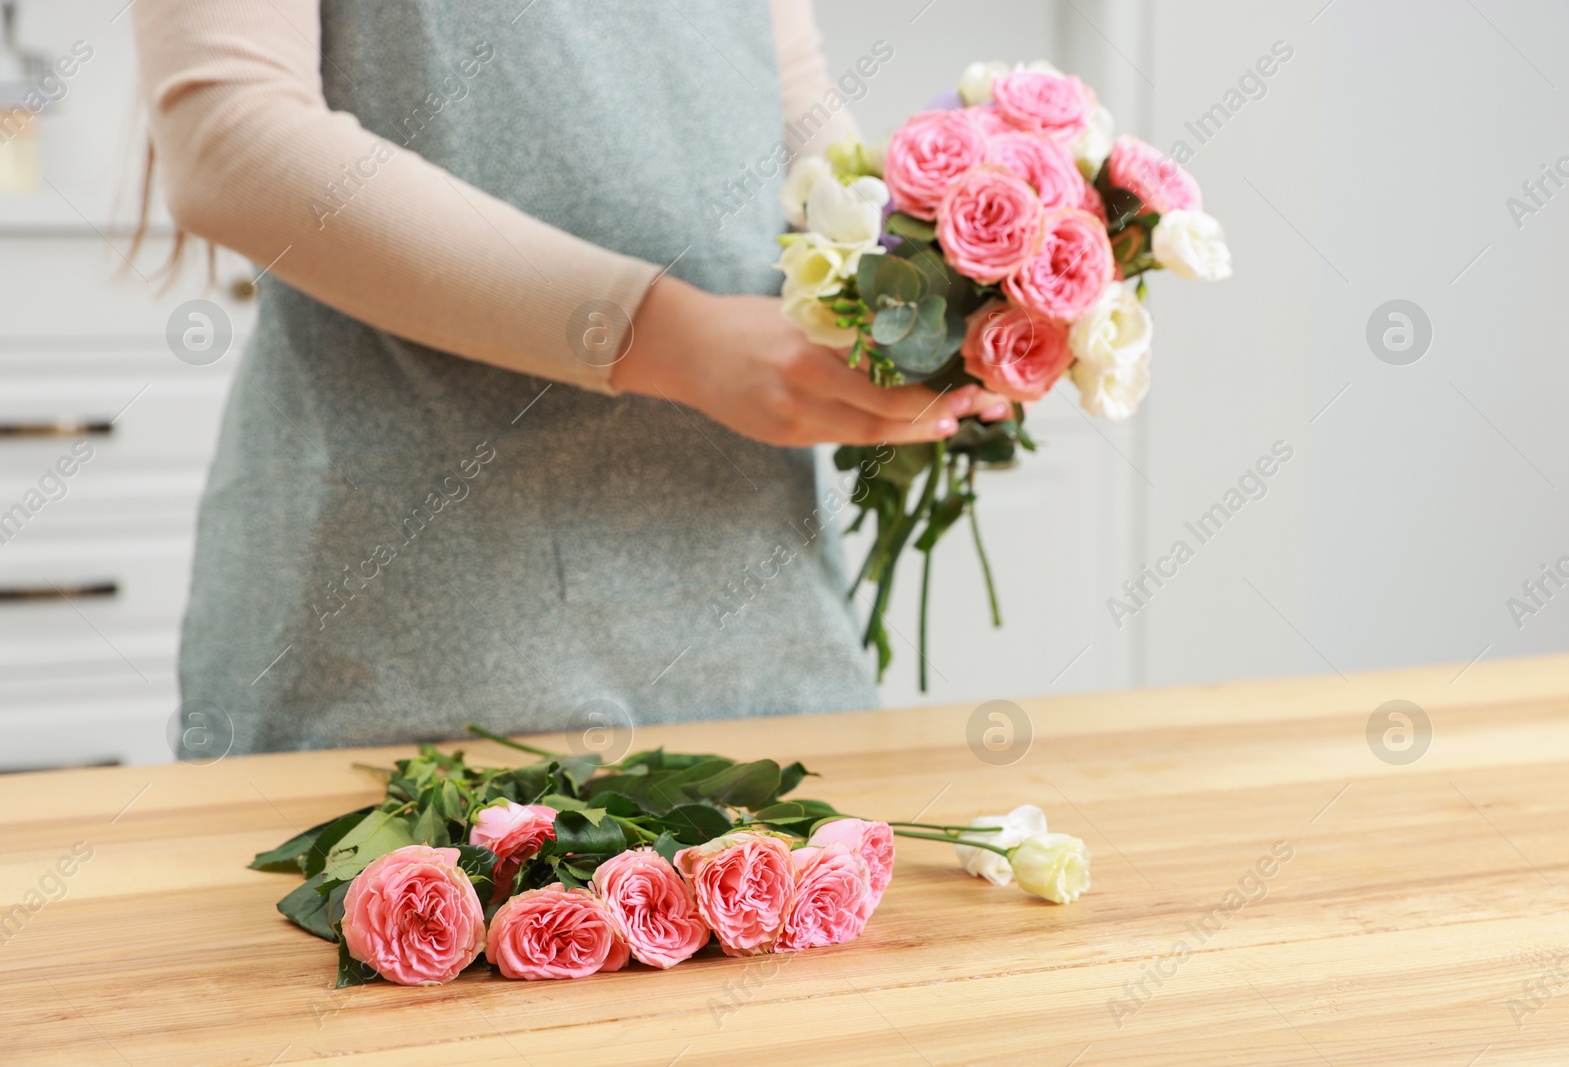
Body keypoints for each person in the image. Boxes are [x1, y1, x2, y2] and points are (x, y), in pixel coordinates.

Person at [133, 0, 1012, 754]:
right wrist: (672, 336)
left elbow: (784, 88)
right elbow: (229, 134)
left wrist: (918, 294)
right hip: (417, 631)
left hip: (755, 623)